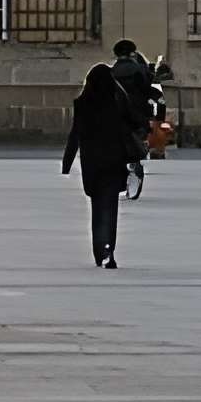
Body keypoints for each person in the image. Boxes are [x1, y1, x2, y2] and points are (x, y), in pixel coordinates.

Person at [63, 62, 141, 268]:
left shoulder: (83, 103)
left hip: (92, 164)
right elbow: (135, 122)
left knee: (97, 209)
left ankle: (100, 250)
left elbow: (75, 134)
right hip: (114, 162)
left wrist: (67, 162)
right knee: (110, 209)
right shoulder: (117, 102)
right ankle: (108, 250)